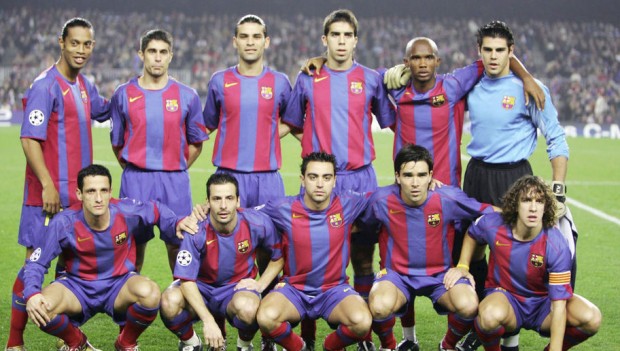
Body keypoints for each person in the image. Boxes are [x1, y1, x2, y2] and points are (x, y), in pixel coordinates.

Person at [380, 37, 544, 351]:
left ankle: (466, 334)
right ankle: (407, 339)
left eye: (429, 57)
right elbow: (357, 74)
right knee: (402, 264)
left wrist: (526, 78)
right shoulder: (396, 91)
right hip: (408, 194)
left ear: (438, 61)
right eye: (415, 58)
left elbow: (495, 59)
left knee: (455, 267)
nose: (423, 63)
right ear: (406, 62)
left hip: (449, 196)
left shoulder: (453, 86)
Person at [282, 9, 394, 350]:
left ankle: (363, 332)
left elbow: (391, 120)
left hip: (361, 180)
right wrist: (312, 146)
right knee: (312, 263)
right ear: (325, 39)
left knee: (362, 257)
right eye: (335, 35)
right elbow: (291, 123)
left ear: (355, 40)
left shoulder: (371, 78)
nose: (341, 41)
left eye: (348, 35)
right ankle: (310, 336)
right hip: (321, 181)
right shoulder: (306, 78)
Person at [459, 21, 570, 351]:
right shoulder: (471, 83)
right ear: (479, 52)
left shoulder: (530, 88)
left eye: (500, 51)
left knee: (515, 254)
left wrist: (559, 189)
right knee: (476, 248)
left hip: (514, 176)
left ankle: (511, 334)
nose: (494, 57)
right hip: (476, 174)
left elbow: (557, 138)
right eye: (488, 50)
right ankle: (484, 323)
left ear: (511, 52)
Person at [7, 17, 110, 351]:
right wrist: (48, 185)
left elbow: (106, 110)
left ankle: (70, 341)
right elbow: (29, 139)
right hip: (47, 199)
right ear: (61, 43)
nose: (81, 50)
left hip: (76, 201)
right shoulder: (45, 85)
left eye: (87, 44)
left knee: (69, 274)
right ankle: (15, 341)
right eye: (75, 43)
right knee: (32, 267)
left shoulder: (84, 86)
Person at [22, 164, 191, 351]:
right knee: (40, 308)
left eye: (103, 190)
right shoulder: (64, 222)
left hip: (118, 285)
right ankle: (77, 342)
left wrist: (176, 222)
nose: (98, 198)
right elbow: (36, 263)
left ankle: (126, 344)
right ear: (79, 194)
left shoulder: (126, 211)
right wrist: (32, 293)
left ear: (111, 192)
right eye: (91, 191)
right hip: (78, 288)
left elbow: (157, 210)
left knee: (150, 293)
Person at [202, 16, 291, 350]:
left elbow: (292, 122)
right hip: (228, 178)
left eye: (257, 37)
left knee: (273, 253)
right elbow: (208, 124)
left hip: (268, 180)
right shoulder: (219, 81)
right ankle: (223, 328)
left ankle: (267, 327)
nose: (250, 42)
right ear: (234, 41)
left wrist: (265, 139)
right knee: (223, 254)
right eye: (244, 36)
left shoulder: (280, 82)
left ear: (266, 42)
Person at [359, 144, 497, 351]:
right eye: (408, 175)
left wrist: (534, 215)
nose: (415, 183)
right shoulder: (380, 200)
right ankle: (389, 346)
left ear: (431, 176)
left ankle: (447, 345)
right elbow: (359, 223)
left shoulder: (447, 197)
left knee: (469, 305)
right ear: (397, 176)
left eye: (422, 175)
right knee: (378, 306)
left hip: (440, 276)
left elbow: (488, 212)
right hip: (397, 276)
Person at [445, 175, 601, 351]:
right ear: (515, 204)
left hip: (544, 304)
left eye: (539, 201)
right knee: (488, 316)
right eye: (527, 200)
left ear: (546, 207)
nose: (533, 208)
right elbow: (473, 233)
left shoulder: (557, 245)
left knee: (592, 317)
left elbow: (558, 307)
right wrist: (463, 265)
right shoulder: (494, 224)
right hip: (506, 298)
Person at [110, 29, 209, 272]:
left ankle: (181, 306)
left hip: (174, 180)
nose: (157, 57)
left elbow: (197, 142)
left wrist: (177, 165)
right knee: (133, 247)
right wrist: (135, 166)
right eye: (152, 51)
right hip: (136, 180)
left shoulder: (188, 96)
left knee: (178, 246)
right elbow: (117, 142)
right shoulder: (123, 94)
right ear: (141, 54)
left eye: (163, 52)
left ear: (171, 56)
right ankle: (131, 306)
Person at [256, 152, 372, 351]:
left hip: (334, 290)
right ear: (302, 179)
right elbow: (240, 215)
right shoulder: (282, 207)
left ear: (334, 181)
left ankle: (330, 347)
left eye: (326, 177)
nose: (320, 184)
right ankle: (298, 347)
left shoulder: (349, 203)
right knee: (266, 318)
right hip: (294, 290)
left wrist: (431, 189)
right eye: (313, 177)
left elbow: (387, 195)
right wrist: (203, 211)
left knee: (362, 322)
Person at [160, 173, 284, 351]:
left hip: (235, 289)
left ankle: (244, 345)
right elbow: (186, 280)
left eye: (229, 198)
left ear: (238, 201)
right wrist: (208, 321)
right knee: (169, 301)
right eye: (217, 199)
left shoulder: (257, 222)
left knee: (249, 308)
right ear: (207, 202)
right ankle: (191, 343)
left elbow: (278, 256)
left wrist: (260, 285)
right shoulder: (195, 229)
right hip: (202, 289)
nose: (223, 206)